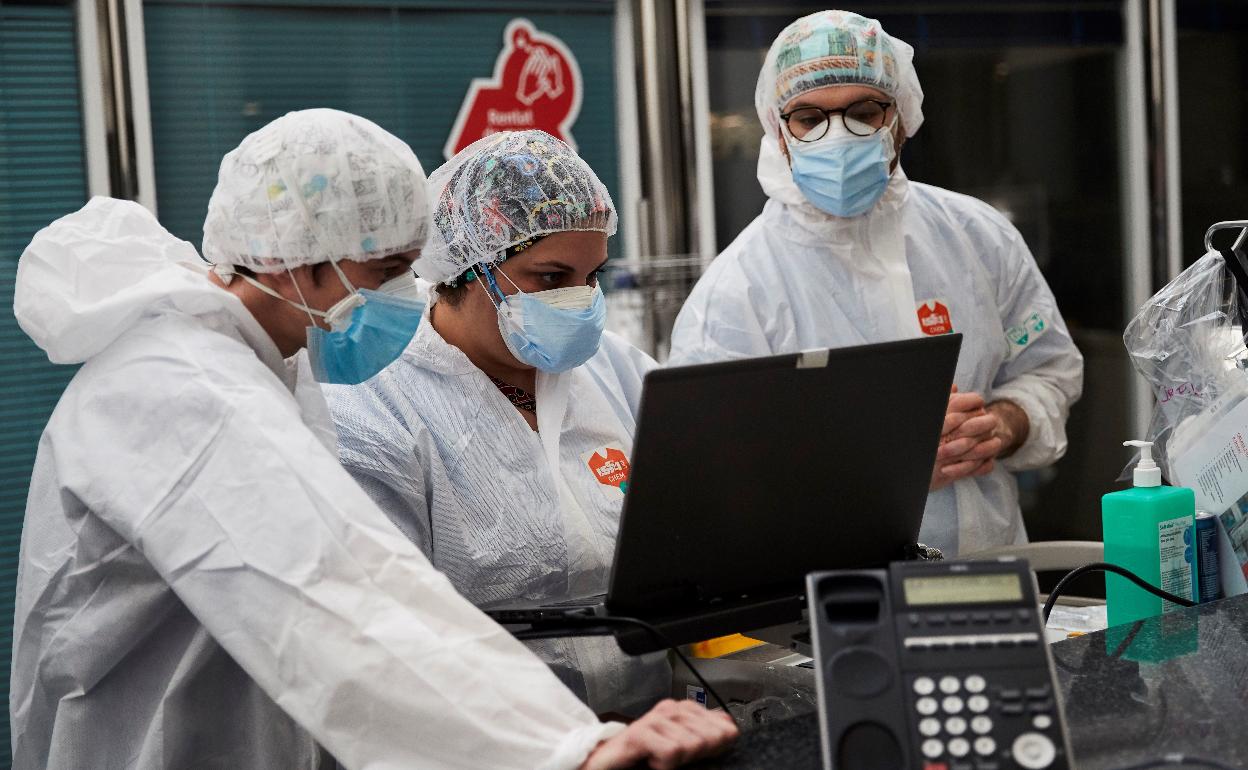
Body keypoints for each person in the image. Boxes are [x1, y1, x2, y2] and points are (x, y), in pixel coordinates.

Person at [10, 109, 734, 770]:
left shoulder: (264, 365)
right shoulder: (183, 389)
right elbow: (338, 592)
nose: (410, 295)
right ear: (297, 258)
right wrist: (563, 747)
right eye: (387, 273)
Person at [668, 10, 1084, 556]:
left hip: (986, 573)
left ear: (903, 117)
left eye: (865, 111)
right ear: (777, 128)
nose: (838, 136)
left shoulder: (978, 237)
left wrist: (1004, 423)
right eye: (809, 118)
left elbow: (1048, 371)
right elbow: (712, 477)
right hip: (821, 604)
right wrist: (874, 468)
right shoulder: (736, 293)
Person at [323, 129, 671, 718]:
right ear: (465, 267)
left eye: (593, 277)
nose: (581, 301)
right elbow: (388, 635)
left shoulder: (616, 370)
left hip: (656, 724)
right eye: (550, 278)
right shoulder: (379, 405)